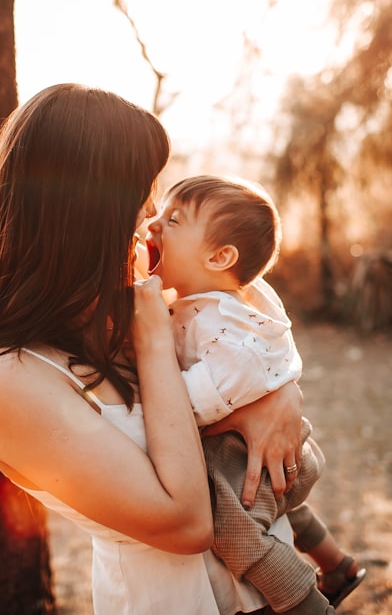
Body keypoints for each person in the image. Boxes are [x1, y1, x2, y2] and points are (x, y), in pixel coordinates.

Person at [0, 84, 310, 615]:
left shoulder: (108, 310)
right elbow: (186, 522)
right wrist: (153, 336)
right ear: (87, 210)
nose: (154, 213)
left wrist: (281, 395)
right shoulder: (6, 377)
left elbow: (244, 329)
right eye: (144, 192)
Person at [144, 175, 366, 612]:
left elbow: (189, 407)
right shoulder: (225, 300)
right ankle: (335, 563)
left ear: (220, 256)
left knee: (233, 527)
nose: (152, 224)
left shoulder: (225, 332)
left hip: (249, 451)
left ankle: (308, 605)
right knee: (270, 504)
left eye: (172, 219)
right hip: (269, 454)